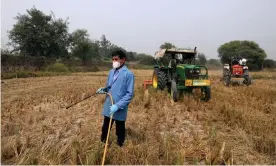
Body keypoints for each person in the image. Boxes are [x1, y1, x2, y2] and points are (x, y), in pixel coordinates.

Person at [96, 49, 135, 147]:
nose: (114, 61)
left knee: (120, 129)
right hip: (109, 105)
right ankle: (103, 144)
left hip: (119, 107)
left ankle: (119, 147)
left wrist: (118, 105)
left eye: (116, 59)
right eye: (113, 59)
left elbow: (129, 94)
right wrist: (103, 90)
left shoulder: (128, 74)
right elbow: (109, 86)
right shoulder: (111, 72)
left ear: (123, 60)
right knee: (105, 128)